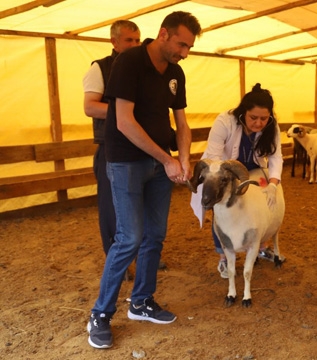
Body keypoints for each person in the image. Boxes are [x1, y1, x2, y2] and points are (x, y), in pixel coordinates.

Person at [86, 11, 202, 349]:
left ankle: (141, 302)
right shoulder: (129, 62)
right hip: (126, 162)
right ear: (164, 34)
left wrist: (183, 158)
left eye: (190, 46)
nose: (185, 52)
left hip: (160, 167)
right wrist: (166, 159)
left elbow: (181, 123)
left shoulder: (176, 73)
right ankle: (100, 314)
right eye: (182, 44)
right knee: (129, 237)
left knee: (155, 235)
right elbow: (123, 121)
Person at [190, 83, 284, 279]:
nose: (259, 123)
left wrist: (274, 184)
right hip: (223, 172)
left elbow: (275, 157)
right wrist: (223, 181)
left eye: (264, 119)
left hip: (254, 168)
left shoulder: (271, 126)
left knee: (257, 207)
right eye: (253, 118)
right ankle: (224, 257)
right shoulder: (225, 121)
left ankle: (259, 246)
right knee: (224, 210)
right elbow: (215, 156)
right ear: (243, 112)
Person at [82, 20, 140, 257]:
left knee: (142, 202)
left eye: (137, 40)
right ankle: (117, 256)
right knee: (111, 206)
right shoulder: (100, 68)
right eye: (129, 40)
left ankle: (145, 254)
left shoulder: (143, 69)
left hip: (138, 145)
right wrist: (125, 112)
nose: (135, 44)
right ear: (114, 42)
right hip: (111, 147)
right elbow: (90, 107)